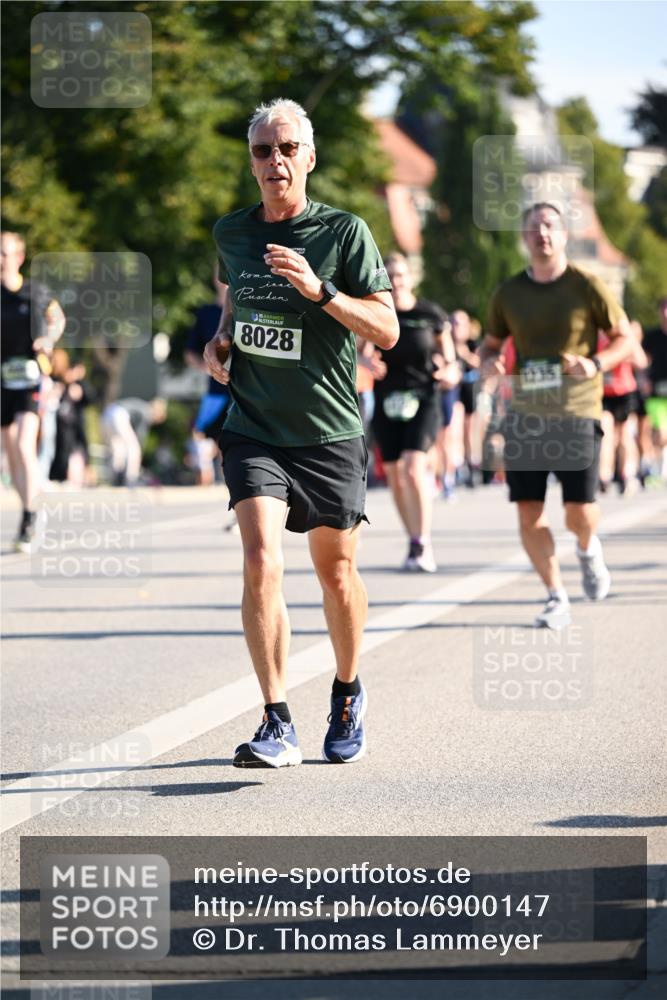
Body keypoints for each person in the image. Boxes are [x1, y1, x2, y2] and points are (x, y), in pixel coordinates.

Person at [203, 98, 398, 768]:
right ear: (251, 161)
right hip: (253, 426)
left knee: (336, 572)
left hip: (328, 430)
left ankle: (346, 691)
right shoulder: (231, 232)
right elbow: (232, 302)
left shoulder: (344, 232)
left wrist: (320, 292)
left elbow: (387, 328)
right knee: (260, 560)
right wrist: (220, 342)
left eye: (287, 149)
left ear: (308, 158)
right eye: (263, 150)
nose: (275, 161)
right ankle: (275, 719)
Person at [481, 202, 632, 630]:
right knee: (529, 511)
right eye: (533, 227)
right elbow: (490, 344)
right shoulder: (508, 293)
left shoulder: (587, 285)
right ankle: (555, 594)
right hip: (526, 414)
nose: (541, 233)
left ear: (563, 235)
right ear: (525, 238)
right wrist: (490, 360)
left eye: (549, 226)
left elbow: (624, 338)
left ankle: (587, 548)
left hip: (577, 409)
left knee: (578, 511)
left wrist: (597, 363)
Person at [372, 252, 458, 571]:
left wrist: (449, 371)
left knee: (412, 466)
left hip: (424, 397)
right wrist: (368, 363)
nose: (396, 281)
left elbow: (449, 359)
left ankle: (423, 542)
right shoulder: (377, 312)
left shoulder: (430, 314)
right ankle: (412, 539)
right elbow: (361, 352)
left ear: (411, 277)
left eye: (401, 274)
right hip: (387, 398)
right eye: (390, 275)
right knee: (394, 475)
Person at [1, 231, 65, 551]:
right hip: (2, 380)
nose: (0, 260)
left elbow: (57, 319)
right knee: (10, 448)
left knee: (24, 442)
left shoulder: (34, 292)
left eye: (5, 253)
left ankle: (30, 517)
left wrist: (48, 338)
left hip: (30, 376)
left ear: (19, 257)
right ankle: (26, 509)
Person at [184, 271, 231, 486]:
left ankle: (230, 482)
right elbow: (190, 352)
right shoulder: (206, 313)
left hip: (242, 385)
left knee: (233, 435)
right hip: (216, 388)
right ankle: (209, 477)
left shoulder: (245, 308)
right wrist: (206, 366)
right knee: (203, 432)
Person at [598, 323, 648, 494]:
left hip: (625, 392)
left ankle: (627, 473)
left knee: (625, 436)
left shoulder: (626, 337)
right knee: (606, 434)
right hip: (604, 392)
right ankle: (604, 476)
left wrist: (620, 355)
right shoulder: (597, 337)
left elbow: (641, 362)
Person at [101, 396, 167, 486]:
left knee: (118, 448)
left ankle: (116, 477)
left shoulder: (141, 406)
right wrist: (140, 453)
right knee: (134, 447)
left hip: (107, 413)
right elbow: (140, 435)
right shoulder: (147, 411)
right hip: (120, 414)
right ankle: (131, 478)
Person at [643, 296, 667, 481]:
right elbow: (643, 360)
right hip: (656, 394)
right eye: (663, 309)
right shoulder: (652, 336)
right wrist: (643, 380)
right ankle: (659, 469)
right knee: (660, 433)